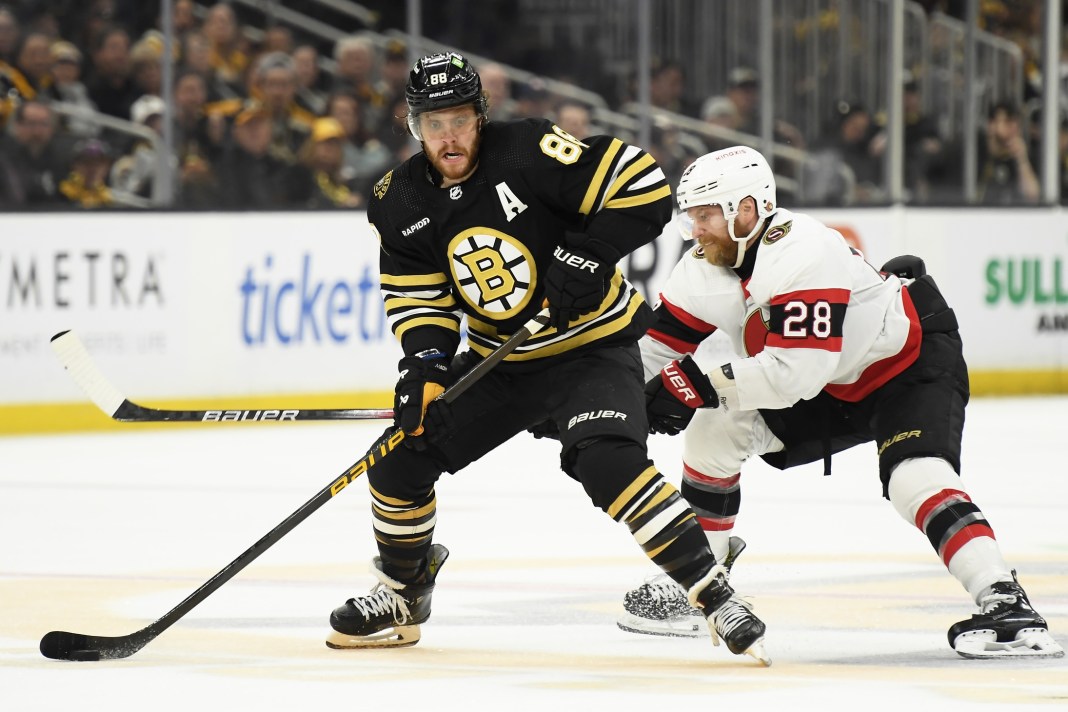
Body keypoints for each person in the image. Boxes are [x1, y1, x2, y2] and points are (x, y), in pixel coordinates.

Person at [325, 52, 770, 665]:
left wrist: (589, 253)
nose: (447, 136)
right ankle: (404, 593)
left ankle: (713, 594)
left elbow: (643, 186)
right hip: (500, 362)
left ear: (480, 117)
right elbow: (418, 297)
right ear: (413, 126)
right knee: (397, 462)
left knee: (609, 464)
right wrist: (423, 367)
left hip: (593, 347)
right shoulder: (398, 199)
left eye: (458, 119)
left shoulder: (528, 151)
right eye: (433, 123)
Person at [616, 144, 1064, 660]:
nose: (695, 229)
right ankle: (702, 576)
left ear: (748, 208)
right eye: (690, 215)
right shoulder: (701, 270)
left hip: (906, 364)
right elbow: (651, 354)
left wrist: (693, 382)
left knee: (914, 477)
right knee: (715, 427)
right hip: (831, 382)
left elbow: (793, 375)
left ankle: (1005, 601)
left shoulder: (804, 249)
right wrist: (594, 398)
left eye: (707, 214)